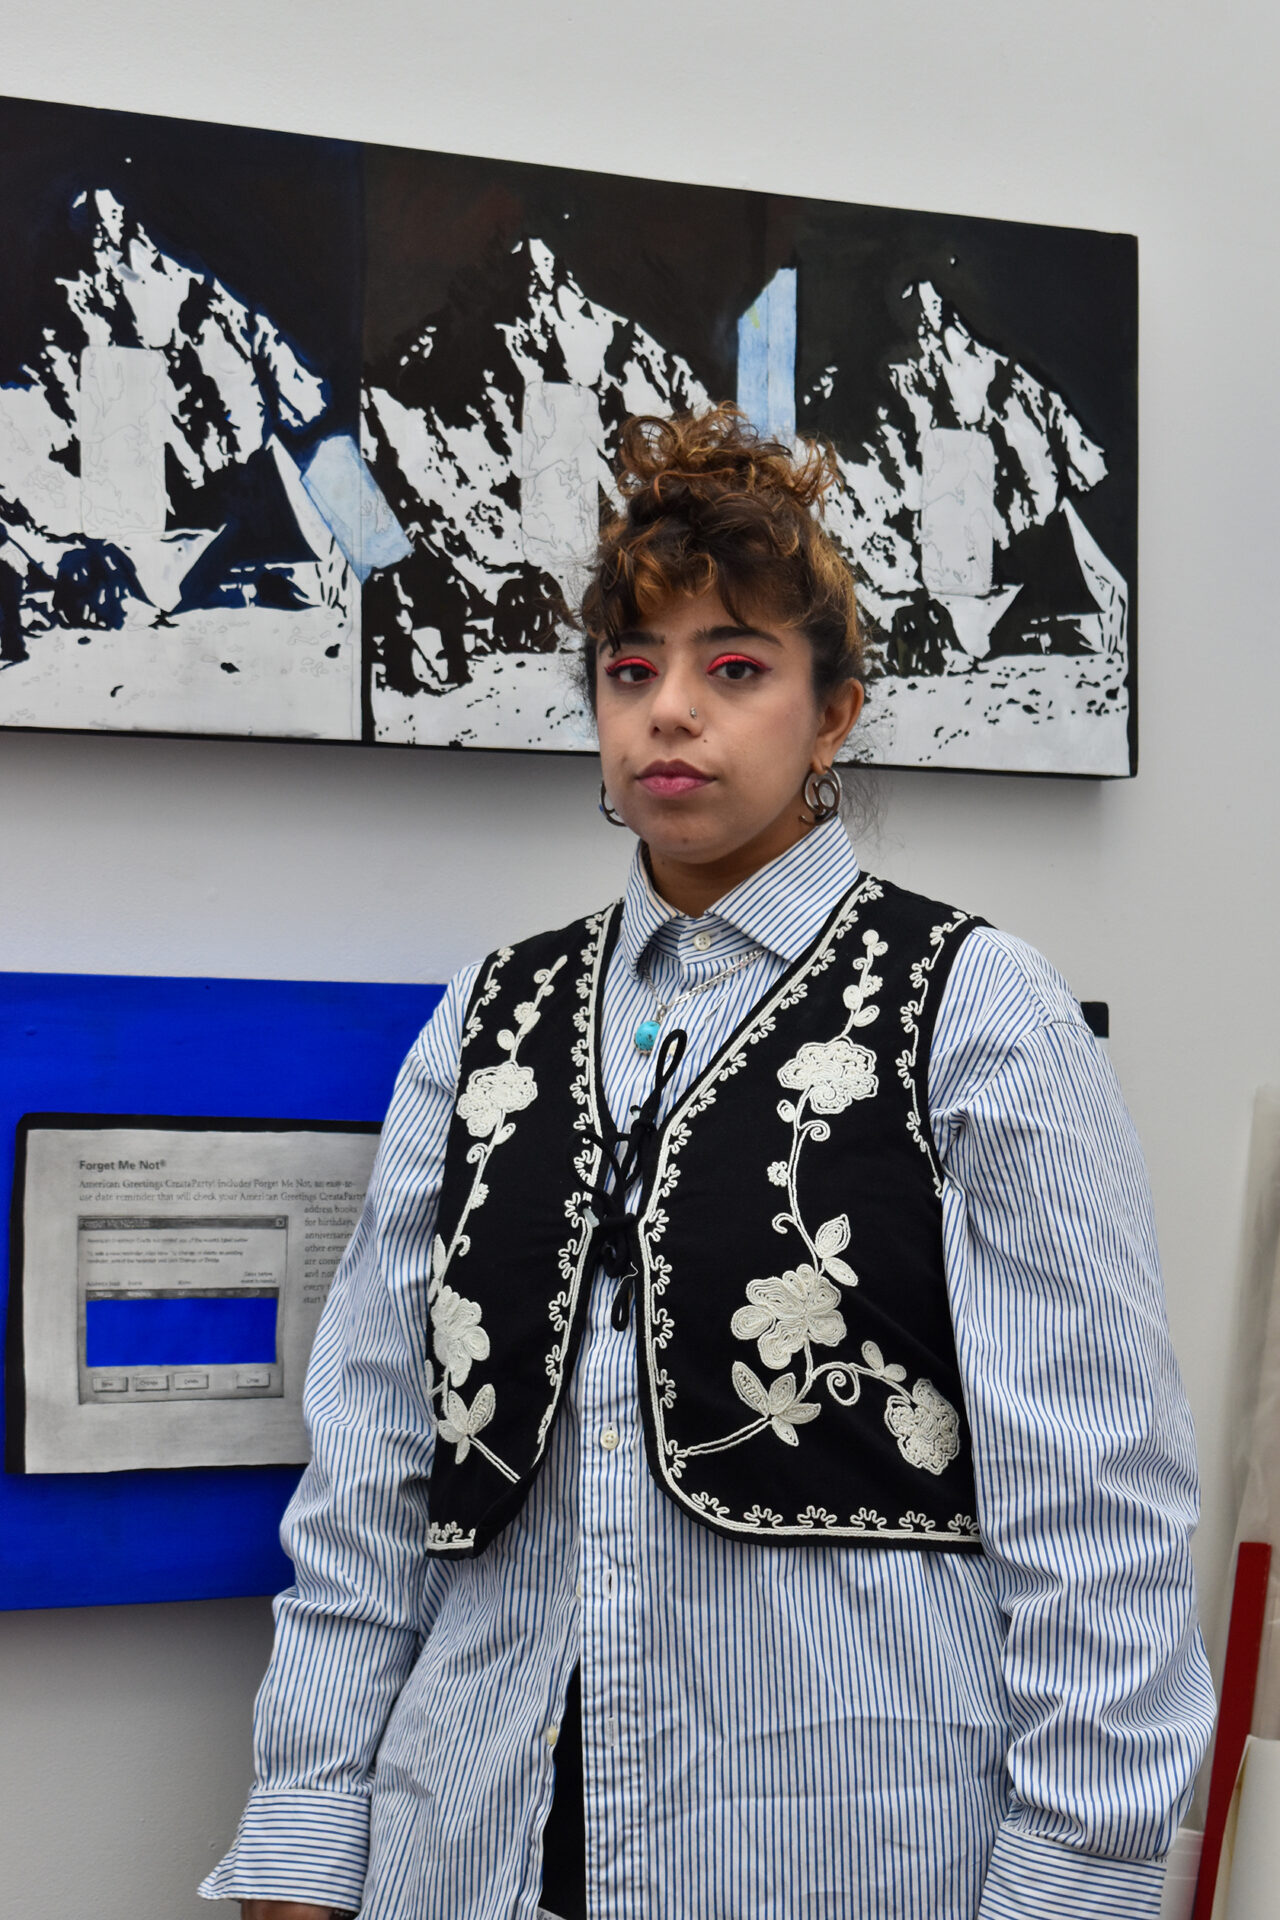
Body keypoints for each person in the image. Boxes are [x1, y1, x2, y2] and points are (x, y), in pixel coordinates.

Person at [203, 406, 1215, 1920]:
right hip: (471, 1833)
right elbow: (373, 1464)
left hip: (848, 1839)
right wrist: (306, 1831)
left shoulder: (973, 1005)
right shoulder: (489, 1017)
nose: (670, 711)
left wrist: (1074, 1881)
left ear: (834, 713)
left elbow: (1099, 1499)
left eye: (734, 668)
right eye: (632, 671)